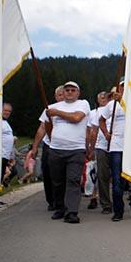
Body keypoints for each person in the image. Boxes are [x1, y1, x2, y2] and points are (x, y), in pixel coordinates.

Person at [38, 81, 91, 224]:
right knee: (57, 181)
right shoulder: (51, 107)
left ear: (78, 92)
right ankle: (60, 208)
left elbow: (76, 118)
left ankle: (72, 212)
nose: (69, 92)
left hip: (76, 150)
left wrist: (57, 113)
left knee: (73, 180)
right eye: (67, 89)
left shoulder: (83, 104)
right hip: (56, 149)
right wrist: (53, 139)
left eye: (73, 90)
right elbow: (46, 126)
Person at [99, 81, 131, 221]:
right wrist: (106, 133)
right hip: (117, 147)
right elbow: (101, 120)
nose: (124, 88)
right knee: (117, 180)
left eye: (127, 85)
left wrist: (123, 100)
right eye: (122, 86)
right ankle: (118, 210)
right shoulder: (111, 104)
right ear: (118, 87)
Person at [30, 85, 64, 210]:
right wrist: (34, 147)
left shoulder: (73, 108)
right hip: (49, 145)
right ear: (55, 96)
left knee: (63, 174)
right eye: (59, 94)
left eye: (63, 94)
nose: (61, 96)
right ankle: (51, 200)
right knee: (48, 173)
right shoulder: (49, 109)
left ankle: (63, 200)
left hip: (65, 146)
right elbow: (42, 128)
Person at [87, 91, 112, 213]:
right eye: (101, 97)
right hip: (101, 147)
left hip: (117, 147)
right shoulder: (94, 113)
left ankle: (118, 201)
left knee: (118, 176)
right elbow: (93, 131)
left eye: (106, 97)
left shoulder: (115, 108)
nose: (103, 99)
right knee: (102, 176)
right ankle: (106, 204)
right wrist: (91, 149)